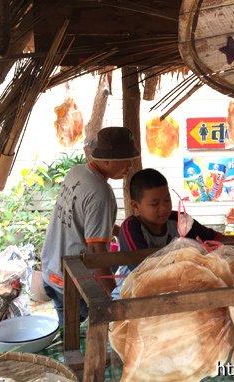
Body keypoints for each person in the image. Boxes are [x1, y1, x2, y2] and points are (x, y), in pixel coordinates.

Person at [41, 127, 140, 324]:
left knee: (68, 332)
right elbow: (97, 251)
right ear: (106, 160)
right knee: (82, 341)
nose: (131, 165)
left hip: (51, 268)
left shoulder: (77, 173)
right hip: (74, 283)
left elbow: (85, 218)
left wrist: (121, 232)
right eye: (125, 159)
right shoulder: (100, 192)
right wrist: (113, 297)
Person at [113, 168, 223, 298]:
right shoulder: (131, 228)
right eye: (155, 204)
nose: (164, 208)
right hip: (131, 296)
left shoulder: (179, 221)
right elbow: (142, 272)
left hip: (173, 292)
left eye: (167, 200)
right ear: (136, 206)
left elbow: (217, 239)